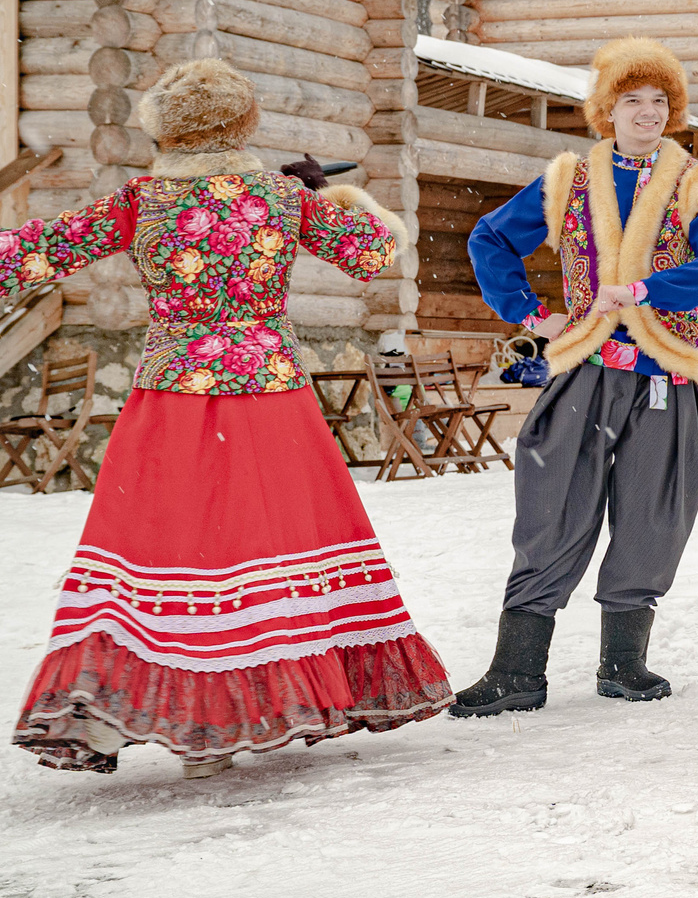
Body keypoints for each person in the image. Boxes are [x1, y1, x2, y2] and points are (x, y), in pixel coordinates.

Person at [3, 59, 449, 776]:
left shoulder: (142, 198)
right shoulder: (278, 195)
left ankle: (140, 705)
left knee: (170, 543)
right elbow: (372, 253)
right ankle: (257, 707)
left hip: (173, 389)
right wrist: (333, 195)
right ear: (245, 123)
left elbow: (38, 252)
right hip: (270, 390)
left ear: (165, 128)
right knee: (269, 543)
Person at [454, 38, 698, 715]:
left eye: (659, 102)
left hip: (662, 370)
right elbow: (488, 238)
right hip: (583, 368)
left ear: (674, 112)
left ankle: (624, 663)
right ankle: (518, 669)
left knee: (653, 511)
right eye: (632, 100)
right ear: (606, 110)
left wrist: (644, 290)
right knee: (550, 505)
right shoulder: (567, 179)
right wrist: (530, 312)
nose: (647, 112)